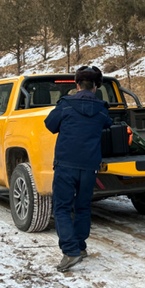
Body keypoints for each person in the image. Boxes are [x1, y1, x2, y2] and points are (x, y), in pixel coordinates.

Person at [45, 66, 112, 272]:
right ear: (96, 87)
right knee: (83, 207)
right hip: (90, 166)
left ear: (76, 84)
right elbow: (107, 124)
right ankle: (80, 247)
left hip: (66, 165)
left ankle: (70, 251)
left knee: (62, 208)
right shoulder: (102, 108)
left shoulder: (65, 105)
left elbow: (50, 124)